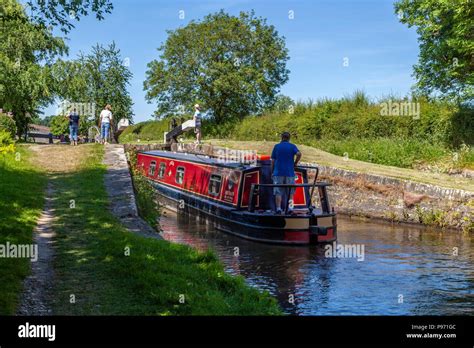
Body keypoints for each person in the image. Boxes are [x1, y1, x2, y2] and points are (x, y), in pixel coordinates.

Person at [271, 132, 302, 214]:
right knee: (291, 192)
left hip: (278, 173)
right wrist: (295, 163)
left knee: (278, 191)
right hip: (290, 173)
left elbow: (273, 161)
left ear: (282, 137)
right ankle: (290, 208)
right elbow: (299, 154)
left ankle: (278, 209)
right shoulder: (292, 146)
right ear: (289, 138)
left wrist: (272, 171)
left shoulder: (277, 146)